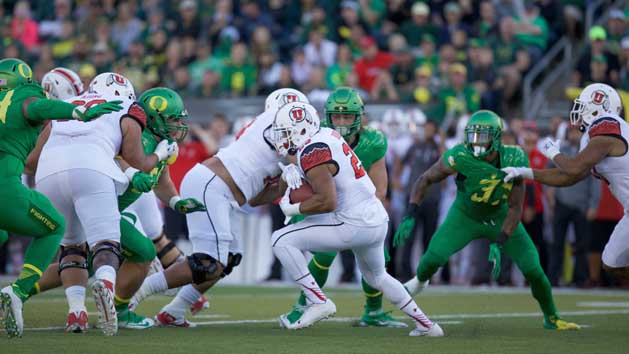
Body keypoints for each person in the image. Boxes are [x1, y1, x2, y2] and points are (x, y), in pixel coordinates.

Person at [130, 88, 309, 327]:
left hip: (222, 191)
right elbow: (294, 153)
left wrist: (283, 185)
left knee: (229, 258)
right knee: (208, 263)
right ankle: (134, 293)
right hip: (212, 185)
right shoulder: (274, 127)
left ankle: (174, 311)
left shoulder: (270, 141)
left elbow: (255, 199)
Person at [395, 110, 580, 330]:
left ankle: (551, 317)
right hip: (465, 215)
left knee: (533, 269)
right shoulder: (460, 155)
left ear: (498, 138)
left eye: (483, 136)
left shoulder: (515, 156)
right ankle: (420, 281)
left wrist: (500, 241)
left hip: (499, 216)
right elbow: (425, 178)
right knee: (432, 257)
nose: (476, 143)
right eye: (473, 136)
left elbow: (515, 207)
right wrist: (411, 212)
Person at [271, 101, 443, 337]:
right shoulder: (327, 134)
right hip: (375, 218)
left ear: (302, 129)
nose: (284, 138)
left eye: (287, 131)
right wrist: (295, 167)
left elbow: (327, 202)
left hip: (352, 223)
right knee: (377, 276)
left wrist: (292, 208)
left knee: (280, 239)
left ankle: (317, 300)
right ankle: (427, 325)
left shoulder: (313, 151)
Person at [33, 73, 177, 335]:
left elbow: (31, 162)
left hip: (48, 174)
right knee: (106, 244)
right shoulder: (129, 109)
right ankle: (107, 289)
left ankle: (74, 311)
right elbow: (138, 162)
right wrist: (158, 155)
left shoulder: (71, 103)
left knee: (72, 250)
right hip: (91, 172)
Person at [0, 58, 123, 338]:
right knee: (54, 226)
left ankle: (73, 307)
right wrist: (77, 112)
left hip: (35, 178)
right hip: (6, 183)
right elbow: (38, 107)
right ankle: (18, 291)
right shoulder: (24, 96)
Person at [283, 87, 405, 328]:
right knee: (325, 254)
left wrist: (365, 218)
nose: (340, 122)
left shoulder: (374, 141)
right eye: (336, 116)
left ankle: (374, 312)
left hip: (356, 206)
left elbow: (380, 188)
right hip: (322, 202)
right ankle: (303, 305)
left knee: (376, 257)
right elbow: (290, 152)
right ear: (327, 116)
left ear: (360, 117)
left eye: (347, 116)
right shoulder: (315, 133)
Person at [503, 83, 629, 281]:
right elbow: (570, 177)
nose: (579, 112)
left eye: (584, 107)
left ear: (599, 107)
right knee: (611, 263)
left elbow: (572, 168)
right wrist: (525, 172)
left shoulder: (607, 128)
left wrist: (554, 154)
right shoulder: (601, 133)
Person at [545, 125, 600, 287]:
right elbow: (548, 171)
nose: (574, 135)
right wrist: (549, 191)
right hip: (562, 202)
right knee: (557, 243)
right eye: (571, 132)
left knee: (582, 244)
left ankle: (580, 279)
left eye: (577, 132)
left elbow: (595, 181)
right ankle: (552, 278)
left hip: (581, 205)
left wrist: (593, 205)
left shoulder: (587, 152)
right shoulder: (561, 151)